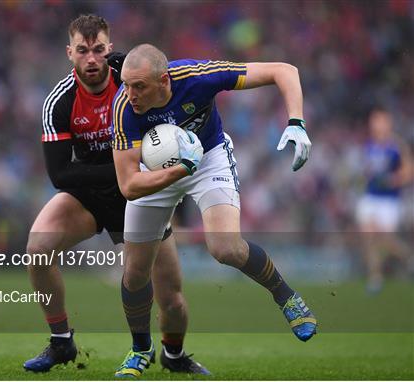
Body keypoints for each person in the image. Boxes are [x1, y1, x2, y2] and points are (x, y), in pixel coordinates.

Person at [111, 44, 317, 378]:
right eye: (126, 84)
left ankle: (286, 296)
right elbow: (128, 185)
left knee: (226, 248)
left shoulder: (197, 77)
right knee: (135, 274)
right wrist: (179, 170)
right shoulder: (123, 107)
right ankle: (140, 349)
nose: (130, 94)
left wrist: (296, 122)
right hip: (153, 174)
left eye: (139, 86)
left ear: (164, 80)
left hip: (207, 159)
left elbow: (284, 69)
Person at [23, 16, 208, 375]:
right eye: (82, 51)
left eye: (97, 50)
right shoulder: (59, 103)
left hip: (141, 195)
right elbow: (60, 174)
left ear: (109, 48)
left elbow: (171, 95)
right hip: (91, 196)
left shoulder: (133, 74)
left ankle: (173, 355)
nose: (91, 59)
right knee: (37, 248)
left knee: (170, 298)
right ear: (70, 53)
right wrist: (125, 169)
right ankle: (61, 341)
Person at [356, 107, 413, 294]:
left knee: (384, 239)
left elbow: (408, 171)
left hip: (389, 200)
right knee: (369, 236)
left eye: (380, 120)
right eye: (374, 121)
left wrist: (393, 179)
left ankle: (408, 257)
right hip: (371, 197)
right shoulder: (369, 145)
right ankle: (375, 277)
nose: (376, 124)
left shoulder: (396, 146)